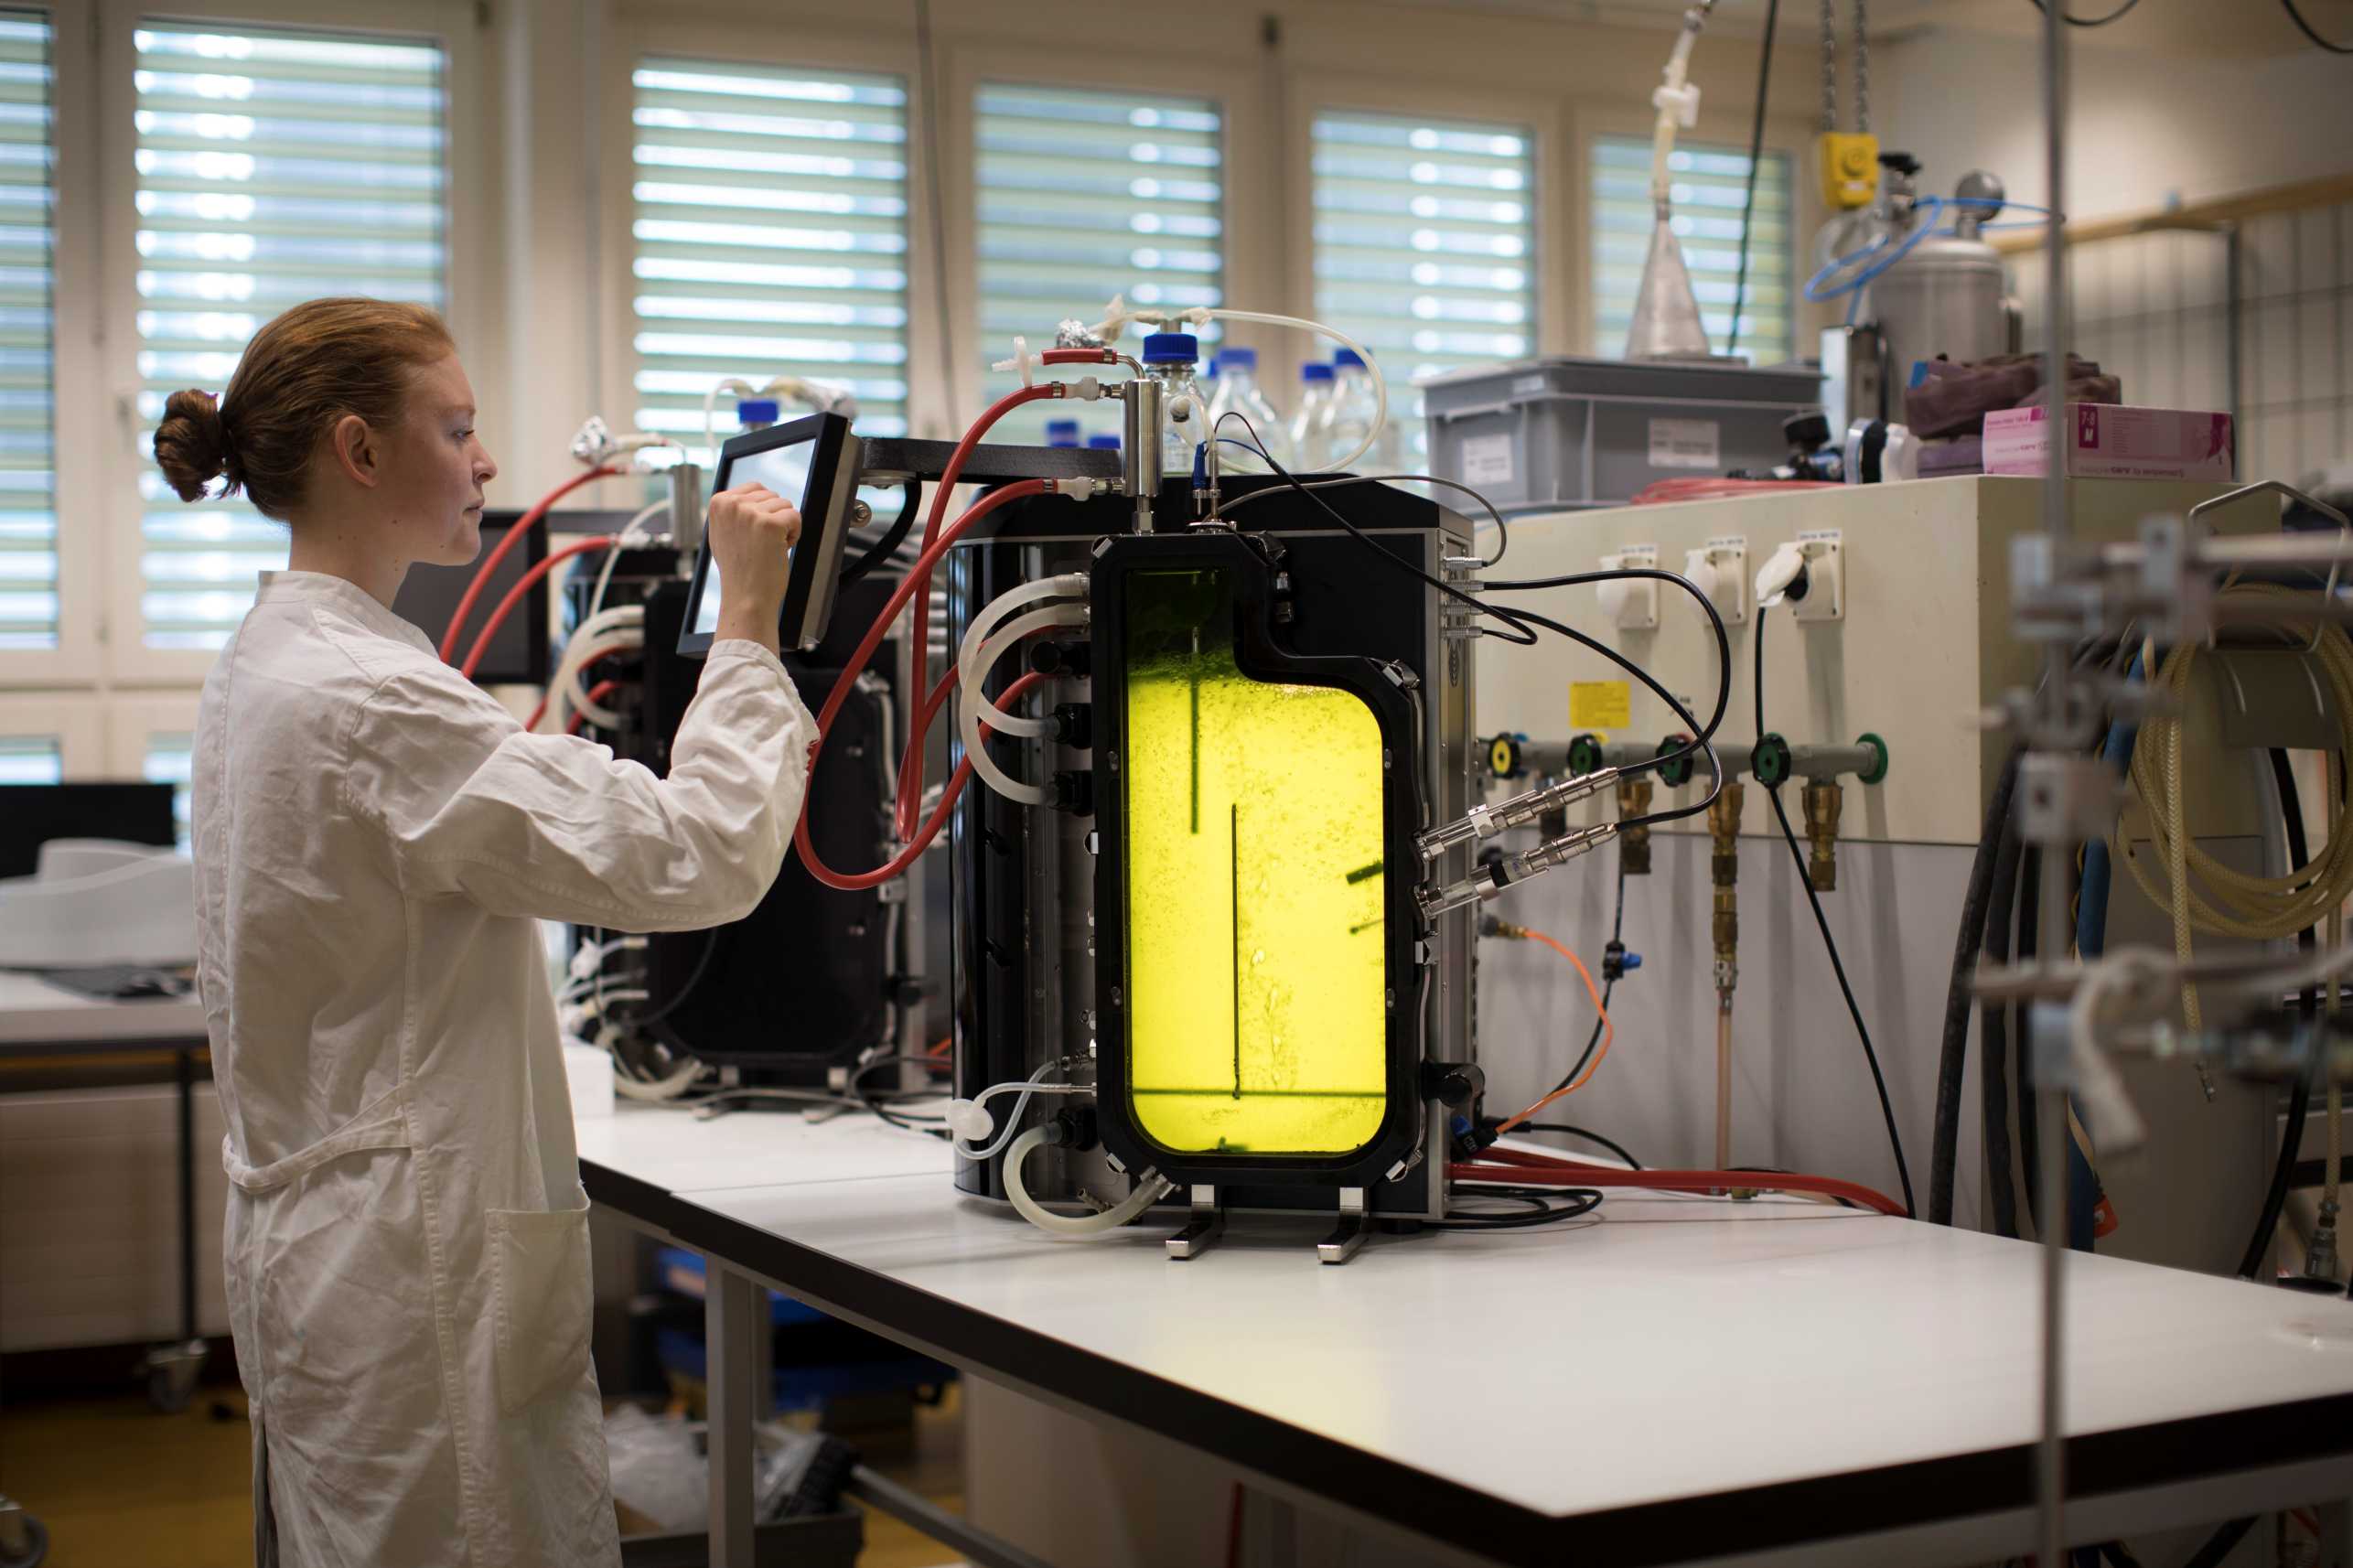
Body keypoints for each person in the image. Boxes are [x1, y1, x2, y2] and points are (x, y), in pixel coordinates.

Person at [153, 296, 815, 1567]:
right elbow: (700, 850)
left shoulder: (268, 659)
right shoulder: (367, 698)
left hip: (335, 1254)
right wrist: (746, 616)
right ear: (359, 450)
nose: (486, 461)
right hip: (412, 1276)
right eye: (455, 428)